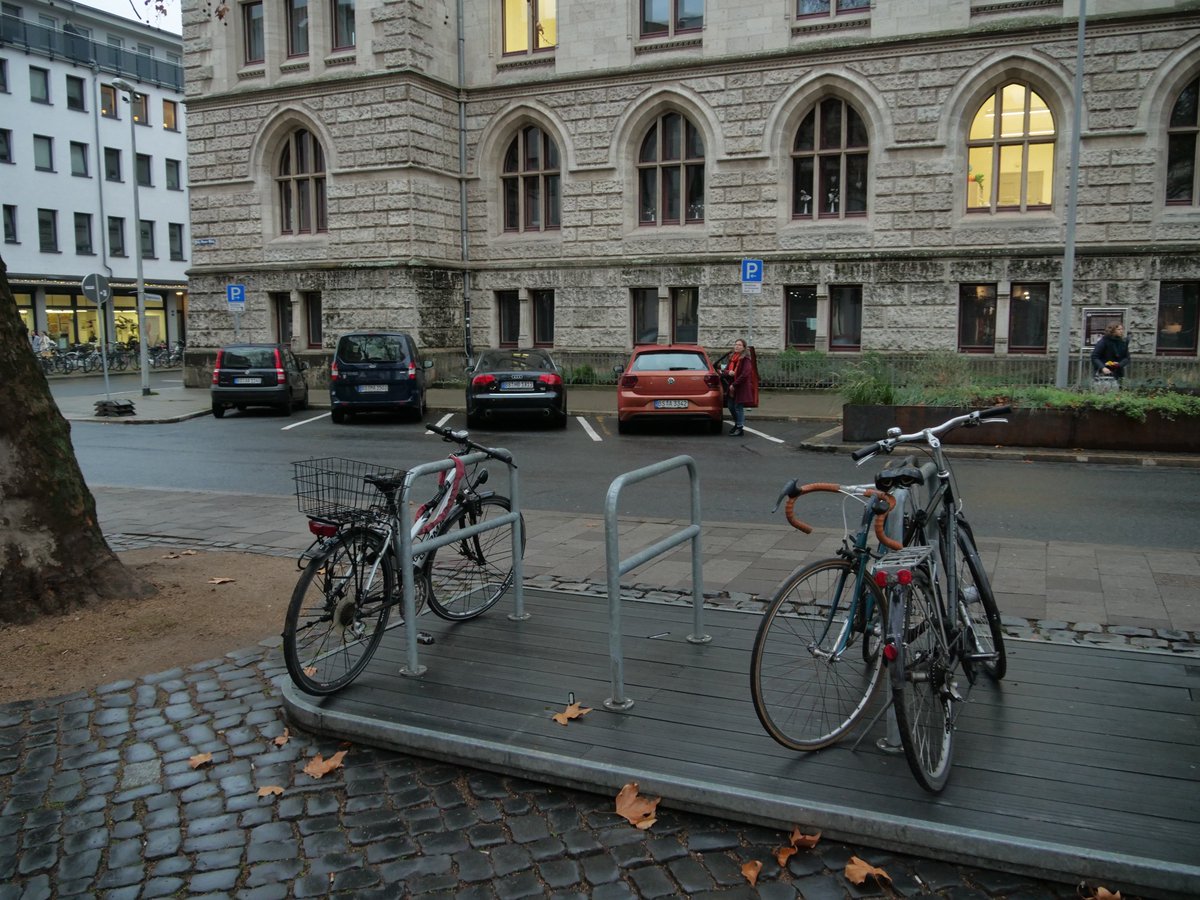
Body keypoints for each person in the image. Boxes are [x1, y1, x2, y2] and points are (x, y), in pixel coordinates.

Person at [722, 338, 758, 437]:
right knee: (730, 406)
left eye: (739, 345)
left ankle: (739, 427)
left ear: (743, 348)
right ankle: (737, 424)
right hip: (731, 386)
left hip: (740, 387)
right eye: (736, 344)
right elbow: (724, 370)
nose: (737, 346)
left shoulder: (745, 359)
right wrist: (728, 372)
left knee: (738, 407)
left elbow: (745, 374)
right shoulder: (732, 358)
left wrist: (735, 384)